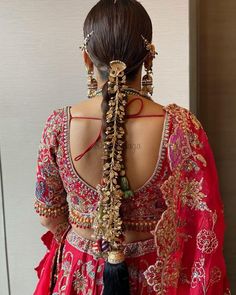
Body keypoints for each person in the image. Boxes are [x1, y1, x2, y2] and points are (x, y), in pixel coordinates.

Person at [33, 0, 231, 294]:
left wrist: (89, 240)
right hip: (157, 278)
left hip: (79, 274)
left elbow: (48, 214)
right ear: (149, 59)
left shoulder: (58, 126)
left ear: (87, 60)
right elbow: (203, 222)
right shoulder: (181, 128)